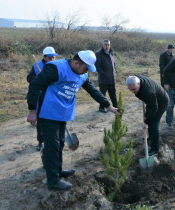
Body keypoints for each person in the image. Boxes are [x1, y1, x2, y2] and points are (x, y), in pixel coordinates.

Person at [27, 50, 118, 191]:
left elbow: (92, 89)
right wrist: (32, 110)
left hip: (62, 112)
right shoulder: (56, 68)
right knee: (52, 145)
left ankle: (58, 170)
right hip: (48, 111)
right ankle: (53, 181)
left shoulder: (82, 73)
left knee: (60, 143)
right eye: (85, 68)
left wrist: (108, 105)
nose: (86, 71)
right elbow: (35, 85)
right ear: (76, 62)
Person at [126, 75, 169, 156]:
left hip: (161, 103)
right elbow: (151, 105)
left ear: (139, 83)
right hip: (152, 102)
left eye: (134, 89)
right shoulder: (135, 79)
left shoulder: (148, 92)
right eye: (130, 89)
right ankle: (150, 137)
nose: (132, 91)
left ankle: (155, 149)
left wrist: (146, 122)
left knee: (153, 124)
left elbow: (154, 109)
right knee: (149, 119)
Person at [27, 46, 58, 151]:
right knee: (40, 122)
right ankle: (40, 141)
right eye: (50, 57)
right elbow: (29, 79)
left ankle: (54, 140)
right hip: (41, 98)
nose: (52, 59)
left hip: (53, 97)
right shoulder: (37, 66)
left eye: (53, 57)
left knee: (54, 120)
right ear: (44, 57)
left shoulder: (56, 65)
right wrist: (39, 77)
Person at [95, 39, 117, 113]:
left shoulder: (111, 53)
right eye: (105, 45)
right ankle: (101, 108)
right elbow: (97, 66)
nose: (107, 46)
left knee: (113, 94)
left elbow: (113, 64)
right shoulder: (98, 54)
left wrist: (115, 71)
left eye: (108, 45)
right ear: (103, 45)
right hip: (103, 79)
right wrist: (104, 74)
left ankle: (116, 107)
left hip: (112, 78)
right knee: (102, 95)